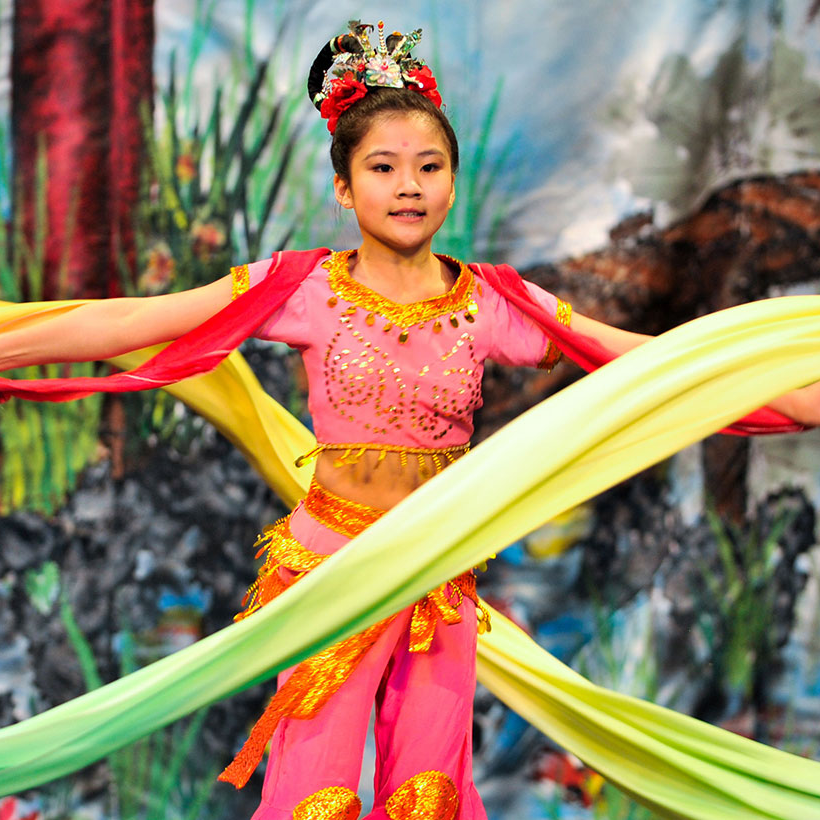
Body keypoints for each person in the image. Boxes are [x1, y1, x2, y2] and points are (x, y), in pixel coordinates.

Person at [1, 20, 819, 820]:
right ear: (344, 187)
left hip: (437, 576)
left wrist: (788, 395)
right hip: (330, 571)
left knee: (423, 797)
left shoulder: (489, 300)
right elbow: (133, 321)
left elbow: (650, 368)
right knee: (314, 797)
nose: (408, 185)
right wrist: (12, 346)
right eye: (383, 167)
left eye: (429, 165)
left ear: (452, 180)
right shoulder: (302, 285)